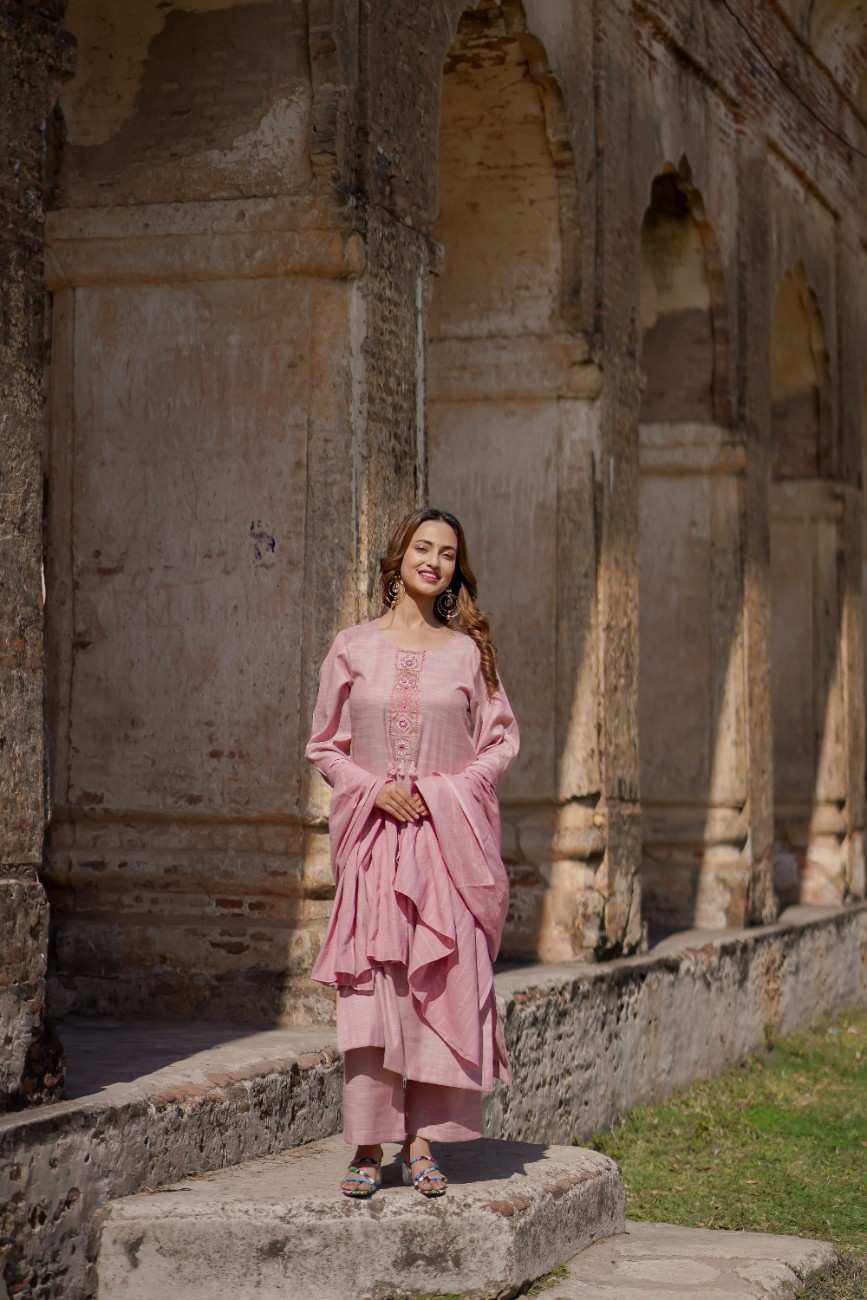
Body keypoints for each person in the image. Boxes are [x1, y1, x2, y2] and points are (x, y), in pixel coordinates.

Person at [304, 507, 520, 1198]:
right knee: (372, 996)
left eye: (447, 554)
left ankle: (423, 1143)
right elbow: (323, 746)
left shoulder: (467, 654)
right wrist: (374, 790)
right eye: (423, 548)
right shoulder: (352, 646)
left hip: (446, 850)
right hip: (374, 848)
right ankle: (368, 1146)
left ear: (457, 571)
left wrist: (442, 792)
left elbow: (499, 743)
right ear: (397, 558)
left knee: (434, 991)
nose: (433, 561)